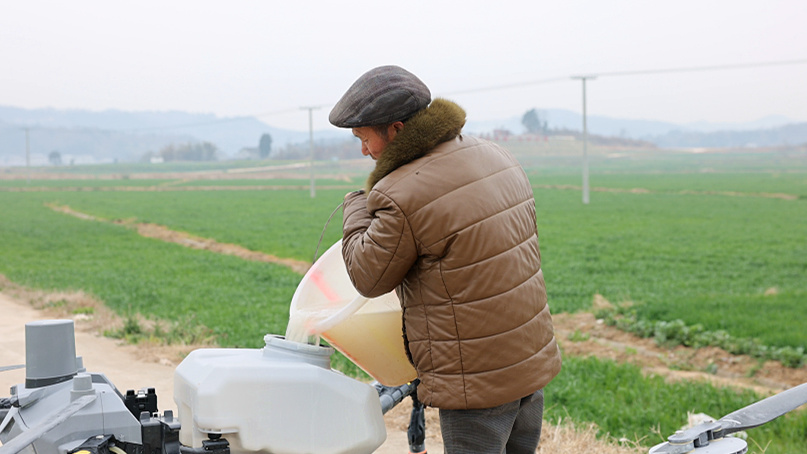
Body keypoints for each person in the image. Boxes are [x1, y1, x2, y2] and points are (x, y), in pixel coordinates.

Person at [331, 65, 562, 454]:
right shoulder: (496, 155)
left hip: (477, 384)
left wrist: (355, 205)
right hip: (528, 365)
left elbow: (367, 276)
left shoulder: (401, 194)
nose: (363, 151)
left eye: (364, 137)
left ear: (398, 129)